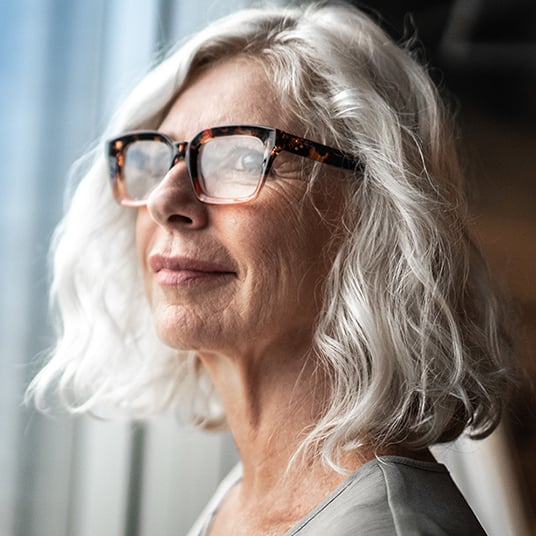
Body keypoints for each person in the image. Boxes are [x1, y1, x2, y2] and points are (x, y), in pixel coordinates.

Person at [29, 2, 513, 534]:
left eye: (240, 159)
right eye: (161, 157)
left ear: (372, 211)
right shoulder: (248, 499)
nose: (165, 201)